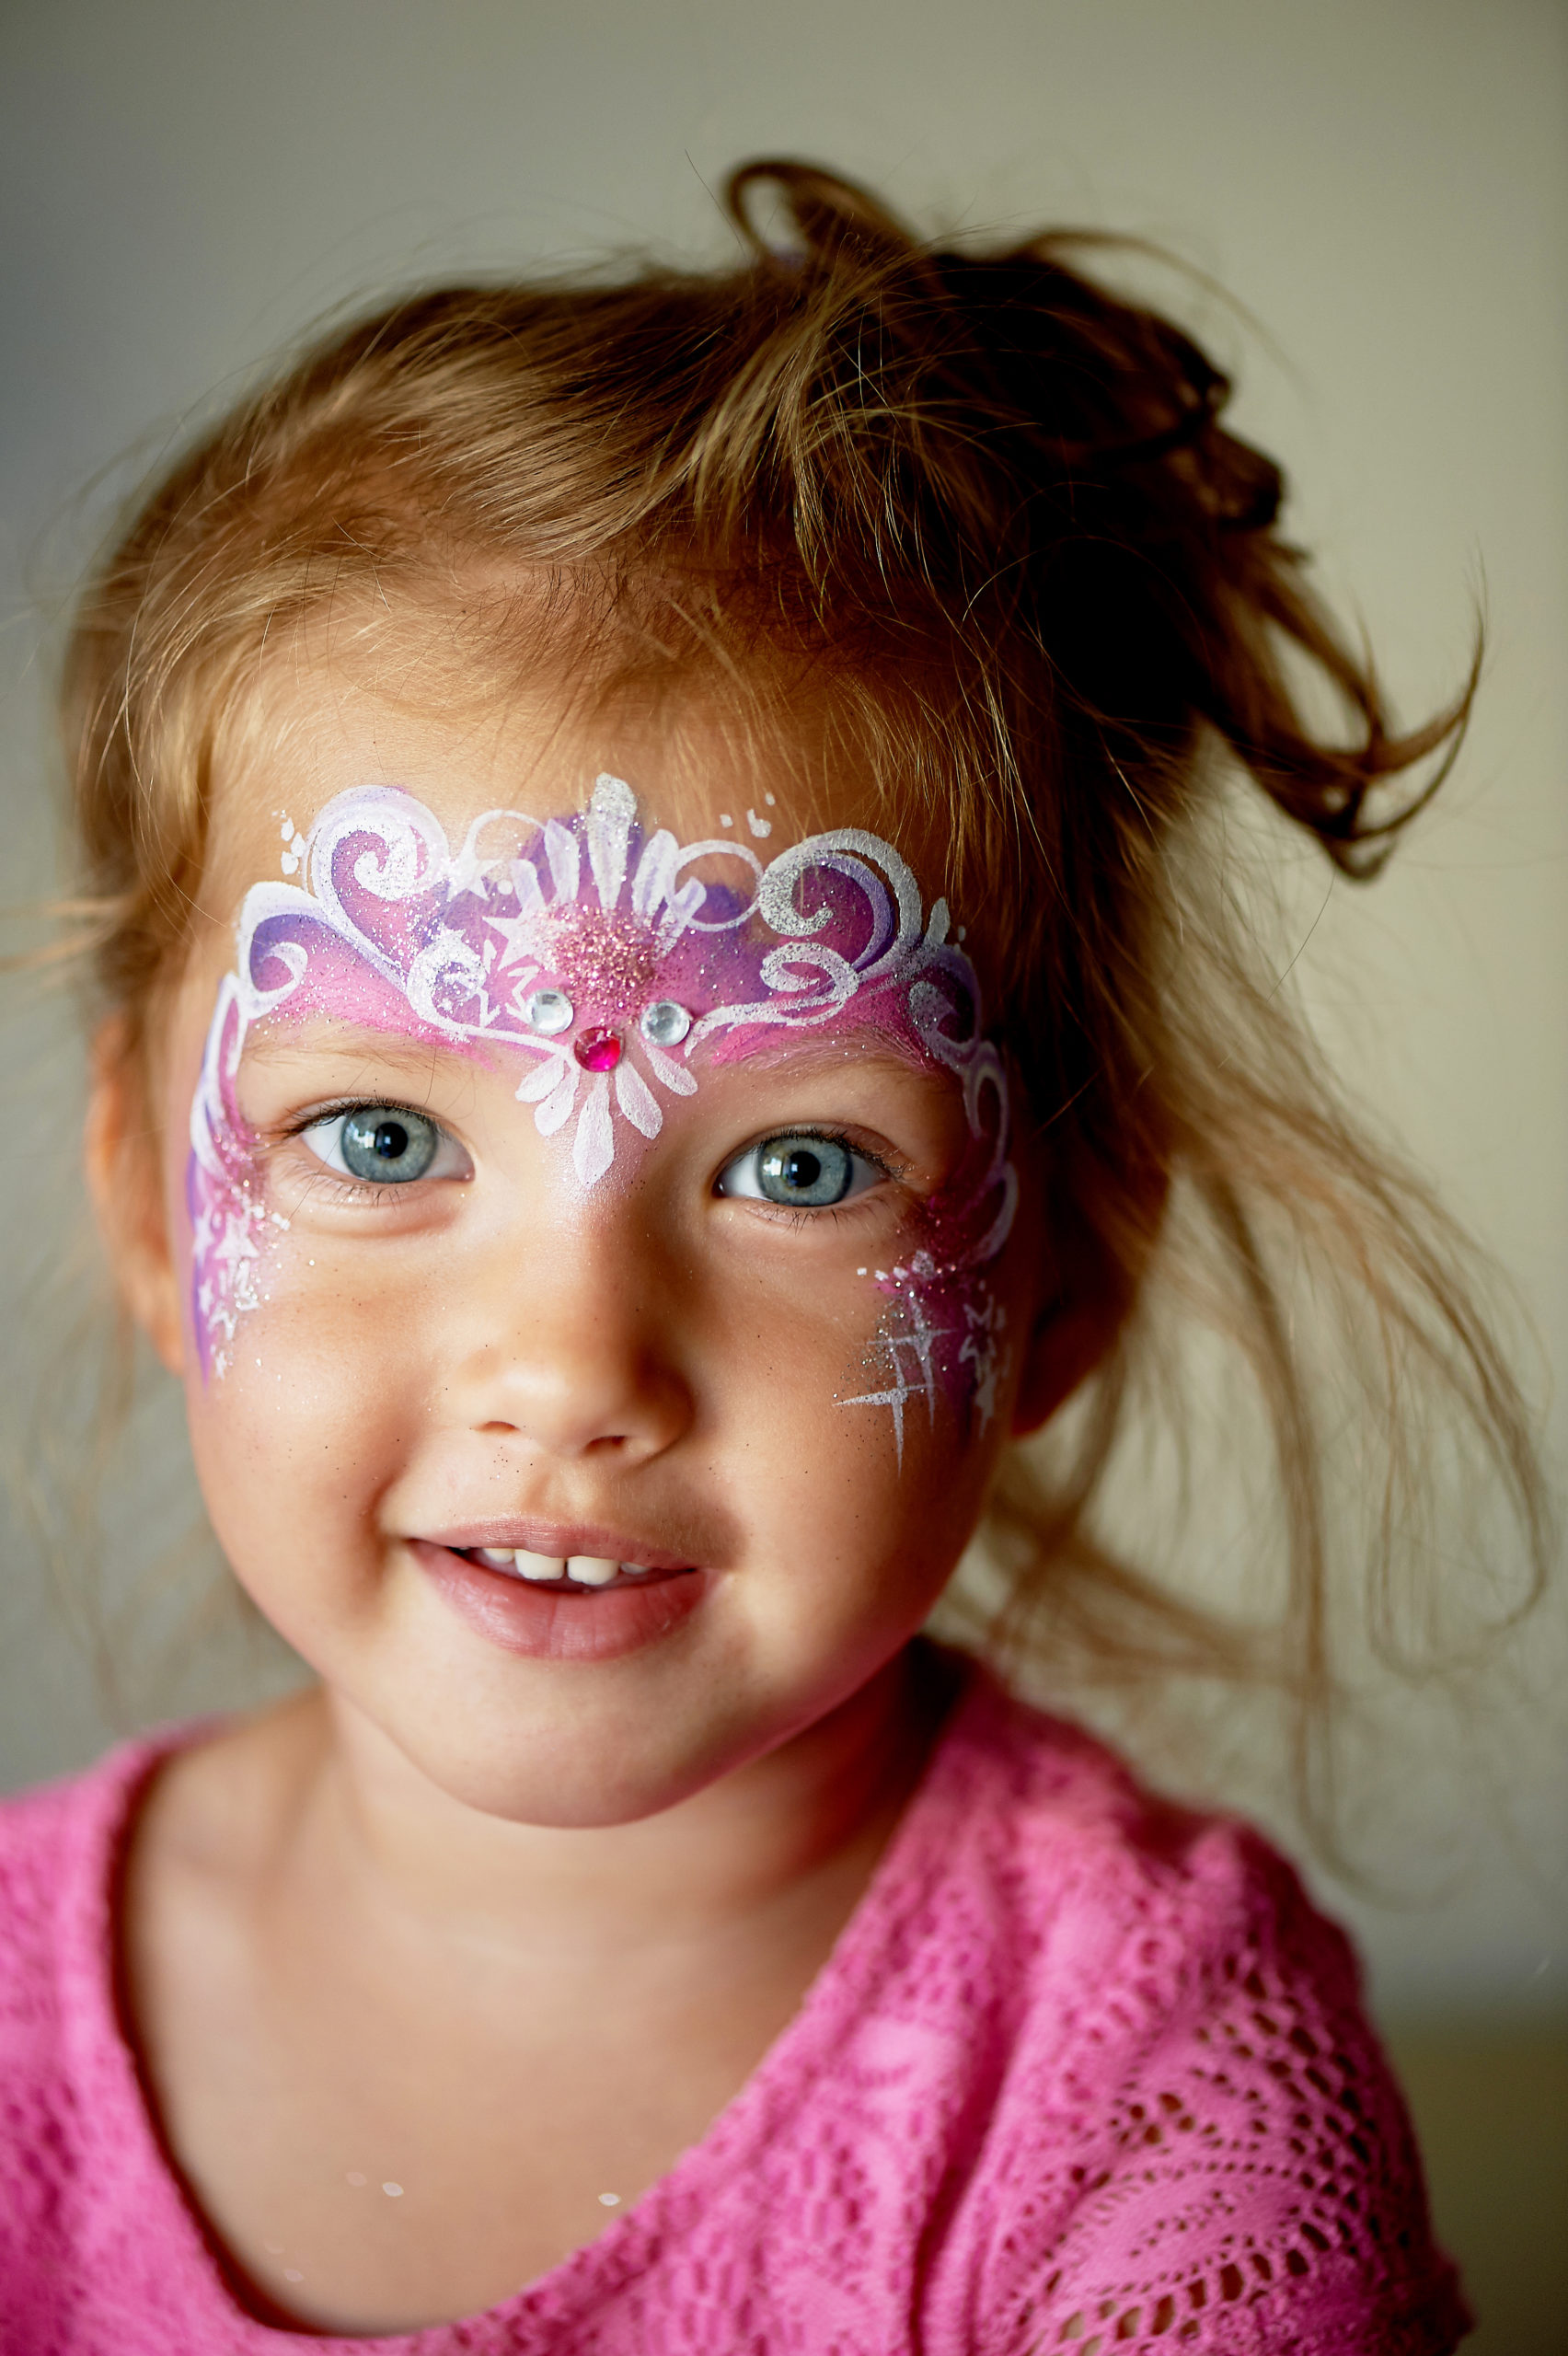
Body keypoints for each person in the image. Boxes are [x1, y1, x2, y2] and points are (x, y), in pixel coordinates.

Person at [0, 159, 1541, 2353]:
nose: (571, 1362)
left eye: (802, 1167)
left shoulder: (1156, 2107)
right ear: (154, 1207)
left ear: (1063, 1279)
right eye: (376, 1133)